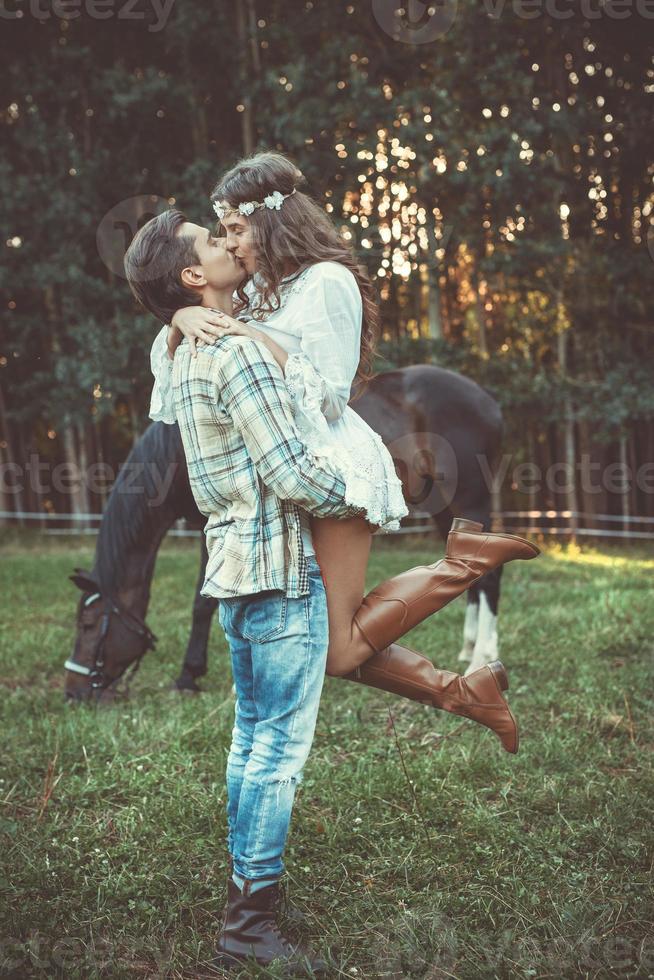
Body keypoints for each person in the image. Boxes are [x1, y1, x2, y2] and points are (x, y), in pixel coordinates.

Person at [125, 198, 539, 972]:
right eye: (212, 241)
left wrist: (177, 319)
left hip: (234, 578)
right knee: (277, 750)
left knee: (253, 741)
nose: (226, 243)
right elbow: (292, 474)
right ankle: (250, 922)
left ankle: (247, 896)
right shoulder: (236, 351)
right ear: (191, 274)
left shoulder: (182, 352)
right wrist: (365, 486)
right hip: (281, 573)